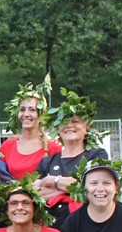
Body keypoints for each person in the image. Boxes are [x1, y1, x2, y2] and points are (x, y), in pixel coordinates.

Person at [33, 89, 109, 224]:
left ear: (86, 127)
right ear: (58, 129)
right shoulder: (47, 161)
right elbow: (36, 191)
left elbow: (94, 186)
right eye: (64, 121)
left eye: (75, 121)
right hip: (53, 227)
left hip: (86, 224)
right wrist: (72, 190)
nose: (69, 125)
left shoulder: (97, 155)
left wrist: (54, 181)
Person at [0, 77, 62, 179]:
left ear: (41, 114)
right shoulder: (7, 146)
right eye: (22, 109)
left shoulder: (53, 148)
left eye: (32, 110)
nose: (26, 114)